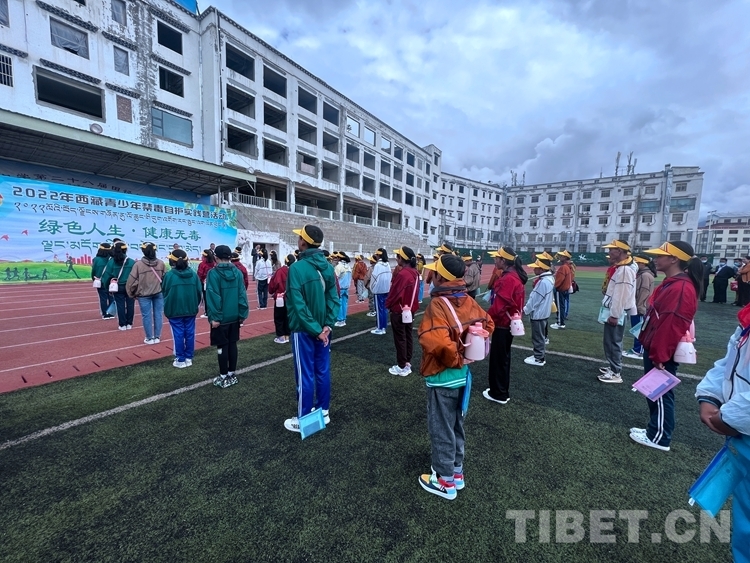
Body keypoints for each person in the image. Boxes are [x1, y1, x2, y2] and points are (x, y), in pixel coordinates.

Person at [417, 253, 494, 500]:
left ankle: (444, 480)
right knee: (455, 424)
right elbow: (488, 323)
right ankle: (456, 472)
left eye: (434, 273)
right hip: (463, 376)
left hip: (443, 376)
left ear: (441, 277)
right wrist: (469, 350)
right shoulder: (468, 299)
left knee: (441, 427)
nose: (431, 276)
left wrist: (458, 356)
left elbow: (437, 342)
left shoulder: (438, 304)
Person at [630, 241, 701, 451]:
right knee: (655, 391)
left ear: (674, 259)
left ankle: (659, 437)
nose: (655, 259)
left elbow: (672, 324)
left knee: (661, 393)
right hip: (656, 345)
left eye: (660, 255)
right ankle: (654, 429)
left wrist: (660, 354)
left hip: (662, 349)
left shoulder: (680, 287)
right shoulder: (674, 283)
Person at [695, 301, 750, 561]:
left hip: (741, 425)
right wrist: (710, 396)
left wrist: (729, 417)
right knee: (745, 525)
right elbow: (730, 362)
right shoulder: (747, 318)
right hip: (742, 435)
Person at [283, 225, 339, 432]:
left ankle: (304, 418)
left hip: (304, 330)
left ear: (303, 243)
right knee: (322, 370)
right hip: (324, 330)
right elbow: (333, 299)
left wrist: (316, 329)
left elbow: (298, 305)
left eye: (300, 237)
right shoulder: (328, 267)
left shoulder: (296, 268)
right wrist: (326, 326)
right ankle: (323, 411)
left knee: (305, 374)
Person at [484, 247, 527, 404]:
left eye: (497, 258)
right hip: (508, 324)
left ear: (504, 260)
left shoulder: (508, 279)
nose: (495, 260)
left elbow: (499, 307)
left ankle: (499, 393)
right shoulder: (513, 276)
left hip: (503, 325)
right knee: (502, 359)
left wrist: (485, 319)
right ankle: (500, 390)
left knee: (499, 360)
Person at [207, 245, 249, 388]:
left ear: (216, 258)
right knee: (232, 344)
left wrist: (215, 317)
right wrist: (242, 314)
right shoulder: (237, 272)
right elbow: (242, 295)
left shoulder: (213, 274)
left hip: (221, 318)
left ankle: (224, 375)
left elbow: (213, 297)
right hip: (234, 317)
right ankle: (231, 374)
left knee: (221, 347)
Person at [597, 240, 637, 384]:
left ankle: (615, 372)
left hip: (616, 312)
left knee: (613, 341)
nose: (609, 253)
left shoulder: (625, 270)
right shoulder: (624, 267)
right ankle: (613, 367)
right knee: (612, 340)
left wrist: (614, 314)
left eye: (611, 250)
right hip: (616, 311)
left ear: (619, 251)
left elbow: (621, 295)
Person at [162, 249, 202, 368]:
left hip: (174, 309)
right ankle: (188, 357)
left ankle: (180, 358)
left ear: (172, 261)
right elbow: (199, 292)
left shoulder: (169, 275)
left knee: (178, 334)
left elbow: (164, 291)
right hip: (190, 309)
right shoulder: (193, 275)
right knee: (189, 333)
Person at [385, 246, 421, 376]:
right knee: (408, 335)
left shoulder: (403, 274)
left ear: (403, 258)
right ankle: (407, 362)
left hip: (399, 310)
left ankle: (401, 365)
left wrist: (388, 304)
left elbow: (395, 293)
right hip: (410, 310)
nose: (396, 258)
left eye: (398, 256)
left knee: (400, 338)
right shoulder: (415, 272)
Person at [126, 242, 167, 345]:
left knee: (146, 316)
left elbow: (131, 281)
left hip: (143, 294)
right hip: (158, 292)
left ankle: (149, 338)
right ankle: (157, 336)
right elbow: (165, 279)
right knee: (158, 314)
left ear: (143, 251)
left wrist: (131, 293)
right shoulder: (161, 263)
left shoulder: (138, 265)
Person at [623, 254, 656, 360]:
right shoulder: (643, 274)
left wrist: (640, 307)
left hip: (640, 307)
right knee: (636, 329)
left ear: (642, 263)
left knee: (639, 330)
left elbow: (644, 293)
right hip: (638, 306)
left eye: (637, 263)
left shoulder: (645, 275)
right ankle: (636, 349)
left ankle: (638, 351)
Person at [522, 258, 554, 366]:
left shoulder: (544, 282)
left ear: (542, 269)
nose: (534, 269)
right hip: (543, 312)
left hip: (539, 313)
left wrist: (525, 310)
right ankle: (539, 355)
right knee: (540, 335)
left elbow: (535, 299)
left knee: (538, 336)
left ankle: (539, 358)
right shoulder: (549, 279)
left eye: (536, 267)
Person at [101, 242, 135, 331]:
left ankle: (122, 324)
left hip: (118, 287)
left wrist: (107, 287)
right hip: (130, 286)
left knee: (120, 305)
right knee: (130, 305)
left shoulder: (111, 262)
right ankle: (129, 323)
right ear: (125, 250)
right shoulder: (131, 262)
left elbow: (107, 276)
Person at [269, 254, 295, 343]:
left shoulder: (280, 271)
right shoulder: (295, 271)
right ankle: (287, 335)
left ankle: (281, 336)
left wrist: (272, 291)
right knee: (288, 317)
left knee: (279, 317)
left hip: (280, 297)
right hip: (291, 298)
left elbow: (273, 284)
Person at [370, 249, 392, 335]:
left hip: (378, 290)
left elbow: (374, 278)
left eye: (377, 254)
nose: (376, 255)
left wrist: (372, 288)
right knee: (384, 309)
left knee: (379, 310)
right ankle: (383, 327)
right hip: (386, 289)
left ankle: (379, 328)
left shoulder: (378, 265)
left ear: (379, 255)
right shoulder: (388, 265)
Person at [550, 250, 573, 329]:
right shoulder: (568, 266)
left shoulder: (563, 267)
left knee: (559, 307)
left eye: (562, 256)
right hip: (565, 289)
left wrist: (554, 287)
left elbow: (559, 280)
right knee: (562, 306)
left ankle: (560, 323)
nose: (560, 257)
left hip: (560, 290)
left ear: (565, 257)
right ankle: (560, 322)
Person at [91, 243, 114, 319]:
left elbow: (93, 271)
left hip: (100, 281)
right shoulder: (112, 259)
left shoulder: (96, 259)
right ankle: (111, 313)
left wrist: (94, 279)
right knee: (111, 297)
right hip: (110, 281)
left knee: (103, 298)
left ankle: (105, 314)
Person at [334, 252, 352, 327]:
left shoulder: (339, 266)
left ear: (339, 258)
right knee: (344, 303)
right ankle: (343, 319)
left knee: (339, 304)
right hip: (346, 288)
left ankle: (340, 320)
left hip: (340, 288)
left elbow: (335, 278)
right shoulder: (348, 266)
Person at [197, 249, 216, 318]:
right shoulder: (214, 263)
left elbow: (200, 274)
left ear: (204, 256)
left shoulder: (202, 264)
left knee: (206, 298)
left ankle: (207, 313)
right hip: (214, 282)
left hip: (205, 283)